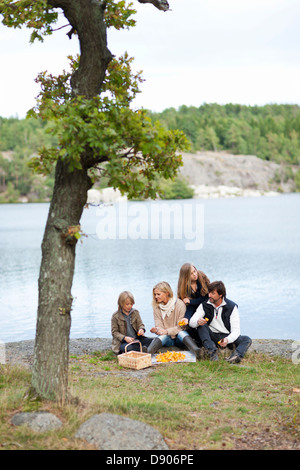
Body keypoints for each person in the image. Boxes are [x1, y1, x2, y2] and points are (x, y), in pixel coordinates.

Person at [189, 281, 252, 362]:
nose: (209, 295)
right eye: (209, 293)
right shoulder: (204, 305)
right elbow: (191, 322)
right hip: (211, 337)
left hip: (226, 337)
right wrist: (198, 322)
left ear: (220, 295)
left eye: (213, 293)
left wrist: (227, 340)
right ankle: (212, 353)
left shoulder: (232, 307)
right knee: (201, 326)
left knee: (246, 339)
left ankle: (235, 357)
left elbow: (236, 331)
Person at [147, 281, 202, 359]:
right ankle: (148, 352)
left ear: (167, 293)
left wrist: (166, 331)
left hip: (179, 338)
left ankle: (196, 350)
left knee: (182, 333)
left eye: (158, 294)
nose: (156, 296)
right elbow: (158, 324)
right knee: (162, 336)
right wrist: (157, 330)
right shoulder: (156, 307)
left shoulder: (180, 304)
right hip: (167, 338)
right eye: (155, 294)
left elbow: (180, 327)